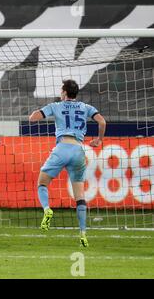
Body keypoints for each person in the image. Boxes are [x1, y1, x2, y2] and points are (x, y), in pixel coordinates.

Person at [28, 79, 106, 247]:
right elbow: (102, 121)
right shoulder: (85, 107)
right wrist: (99, 140)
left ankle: (47, 209)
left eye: (61, 90)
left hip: (62, 148)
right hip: (78, 151)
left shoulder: (56, 106)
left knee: (42, 182)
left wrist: (40, 110)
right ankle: (83, 234)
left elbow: (33, 118)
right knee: (80, 196)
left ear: (64, 92)